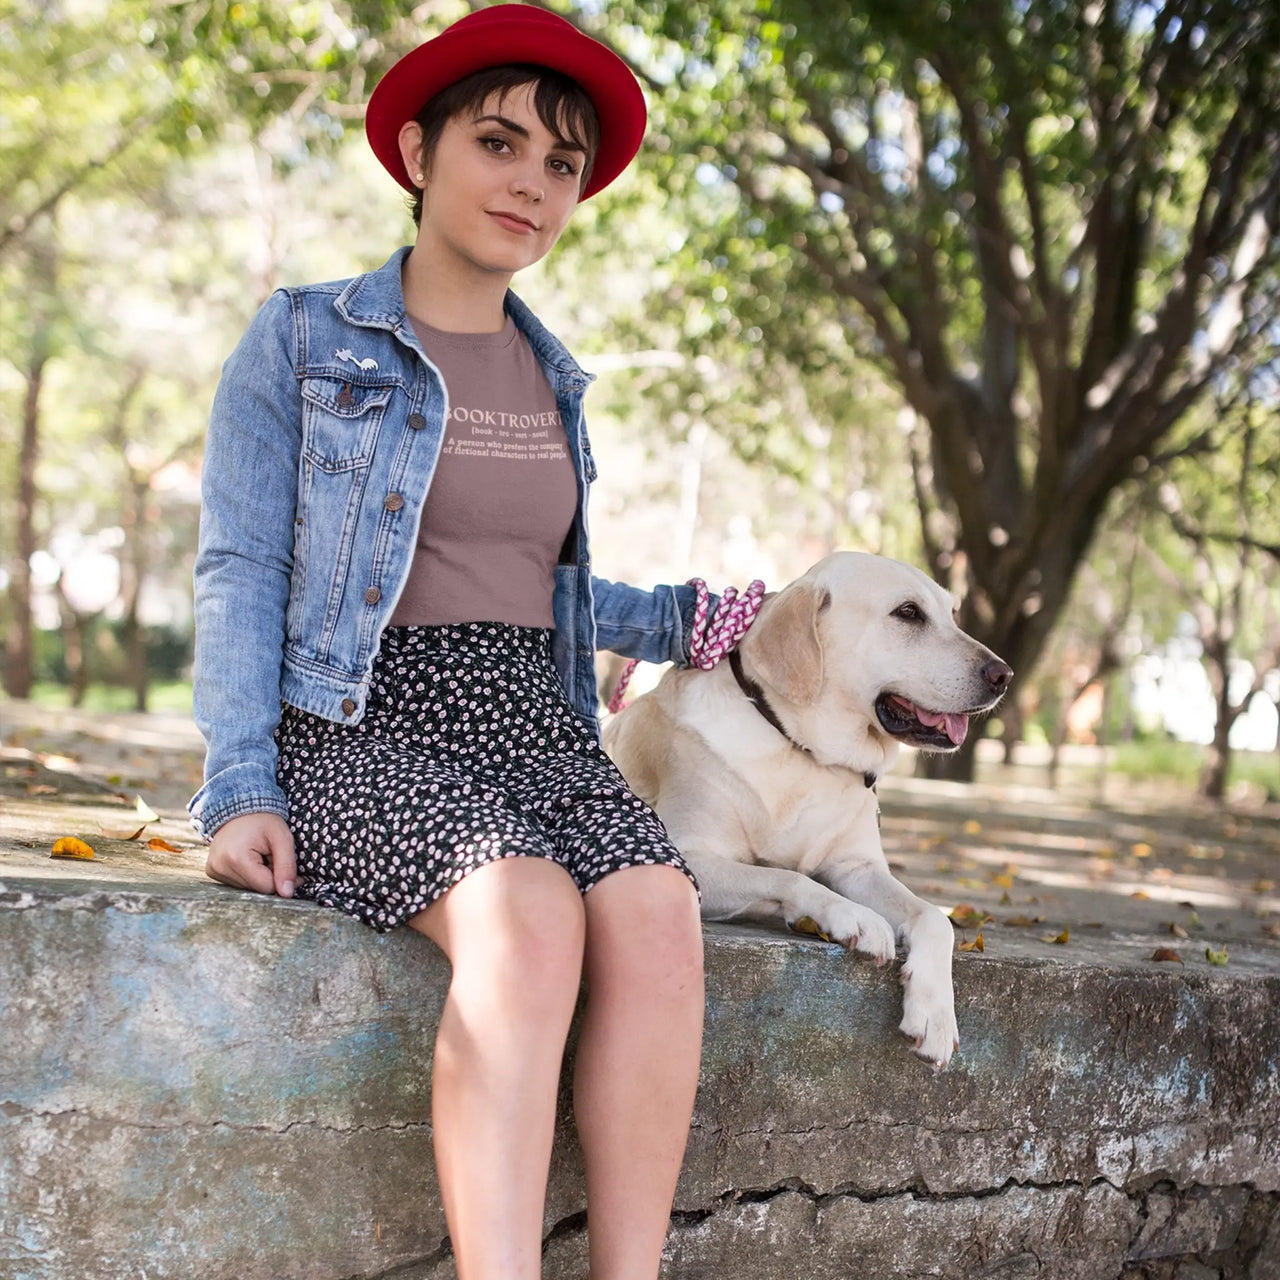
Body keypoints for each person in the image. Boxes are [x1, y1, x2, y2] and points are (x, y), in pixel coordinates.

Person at [187, 6, 713, 1279]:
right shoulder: (305, 340)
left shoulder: (556, 380)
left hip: (530, 721)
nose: (531, 183)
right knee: (525, 917)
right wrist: (240, 781)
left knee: (656, 914)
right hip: (355, 720)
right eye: (499, 141)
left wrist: (695, 616)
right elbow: (242, 565)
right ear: (418, 149)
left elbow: (545, 588)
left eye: (561, 165)